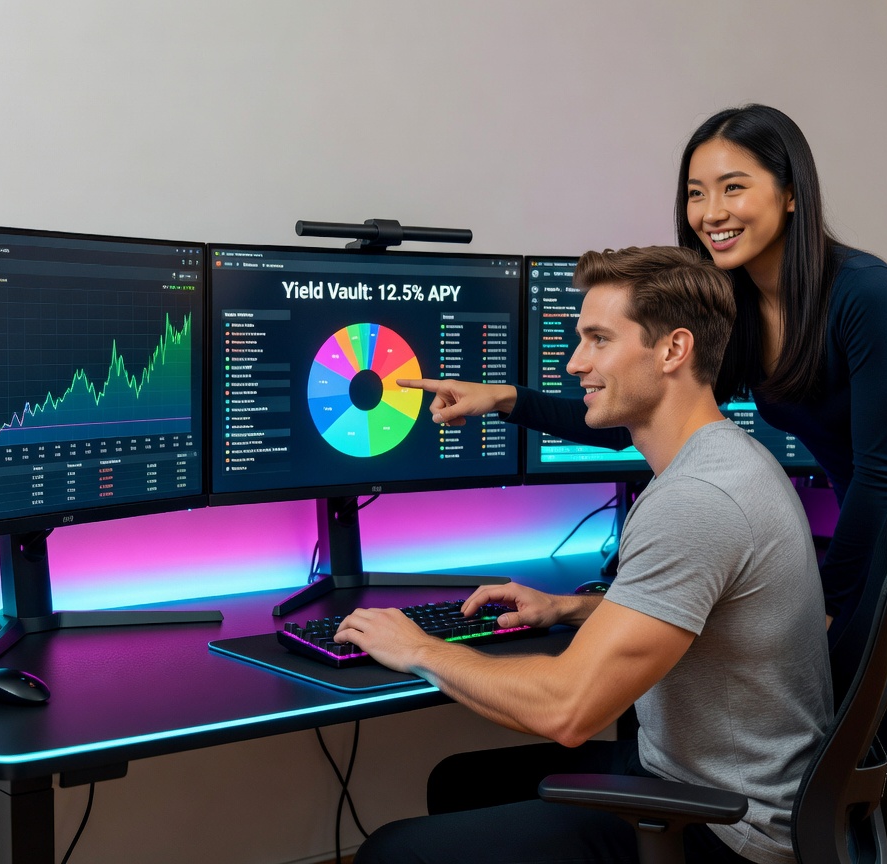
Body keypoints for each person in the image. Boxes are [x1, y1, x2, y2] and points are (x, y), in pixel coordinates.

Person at [411, 105, 887, 863]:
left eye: (733, 187)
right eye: (695, 192)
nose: (711, 213)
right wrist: (507, 399)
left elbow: (883, 472)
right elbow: (637, 411)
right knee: (838, 771)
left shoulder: (862, 291)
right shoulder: (736, 304)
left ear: (790, 193)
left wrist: (831, 602)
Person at [340, 246, 832, 864]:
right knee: (459, 783)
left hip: (729, 827)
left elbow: (568, 710)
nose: (575, 363)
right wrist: (568, 609)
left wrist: (416, 649)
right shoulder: (723, 458)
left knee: (391, 853)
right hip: (709, 775)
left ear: (673, 350)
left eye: (598, 339)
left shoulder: (697, 499)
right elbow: (694, 614)